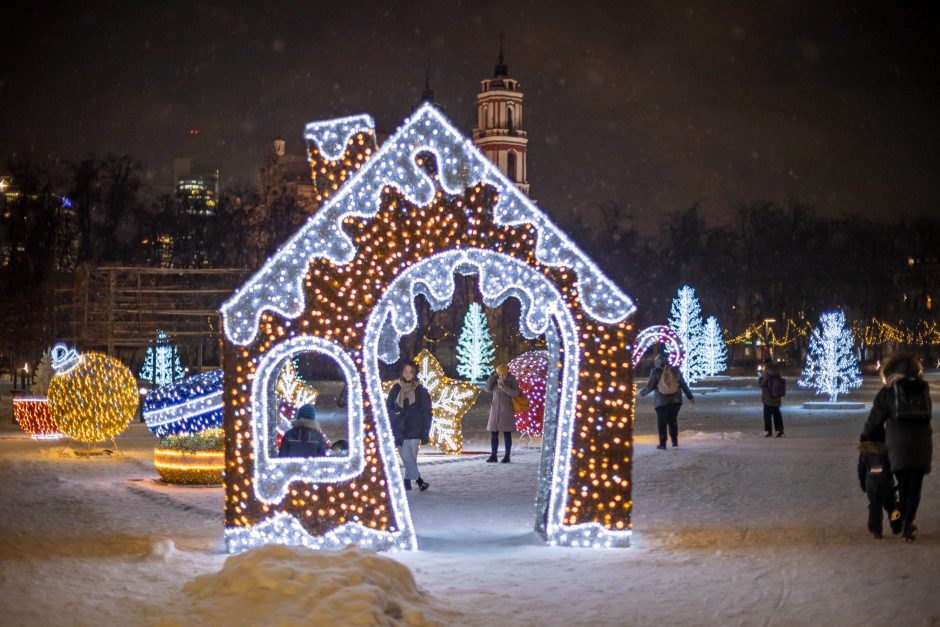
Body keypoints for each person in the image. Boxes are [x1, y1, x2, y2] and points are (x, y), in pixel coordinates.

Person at [861, 354, 932, 541]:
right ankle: (908, 526)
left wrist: (866, 436)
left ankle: (898, 519)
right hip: (922, 445)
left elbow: (876, 418)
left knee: (902, 487)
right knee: (914, 488)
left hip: (898, 446)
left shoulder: (889, 390)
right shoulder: (922, 389)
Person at [386, 361, 432, 491]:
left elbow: (426, 411)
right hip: (400, 428)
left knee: (412, 456)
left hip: (415, 427)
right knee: (406, 456)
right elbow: (388, 407)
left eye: (410, 372)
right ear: (402, 372)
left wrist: (425, 431)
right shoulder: (396, 389)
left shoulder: (420, 390)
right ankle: (419, 480)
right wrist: (395, 414)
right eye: (405, 371)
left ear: (414, 373)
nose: (407, 374)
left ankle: (406, 481)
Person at [639, 354, 694, 449]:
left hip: (661, 401)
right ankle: (674, 442)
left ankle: (662, 443)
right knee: (672, 420)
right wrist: (689, 396)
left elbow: (651, 386)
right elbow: (683, 384)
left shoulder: (655, 371)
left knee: (662, 422)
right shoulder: (676, 370)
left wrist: (641, 393)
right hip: (676, 400)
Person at [858, 429, 903, 538]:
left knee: (874, 505)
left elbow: (861, 470)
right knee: (892, 505)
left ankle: (875, 529)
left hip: (871, 483)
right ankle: (896, 524)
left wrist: (863, 484)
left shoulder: (865, 452)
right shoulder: (888, 451)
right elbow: (895, 467)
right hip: (886, 482)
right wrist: (901, 481)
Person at [485, 364, 521, 463]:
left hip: (507, 411)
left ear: (507, 372)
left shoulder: (511, 380)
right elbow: (487, 389)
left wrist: (503, 387)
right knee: (494, 433)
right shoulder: (495, 379)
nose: (501, 376)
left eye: (503, 374)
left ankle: (507, 456)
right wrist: (492, 378)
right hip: (495, 410)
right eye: (499, 374)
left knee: (507, 433)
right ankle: (493, 455)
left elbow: (516, 393)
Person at [758, 360, 786, 437]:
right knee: (777, 415)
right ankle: (780, 430)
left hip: (768, 398)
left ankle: (768, 431)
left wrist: (760, 380)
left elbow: (762, 384)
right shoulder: (777, 373)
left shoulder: (767, 374)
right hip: (776, 397)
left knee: (767, 416)